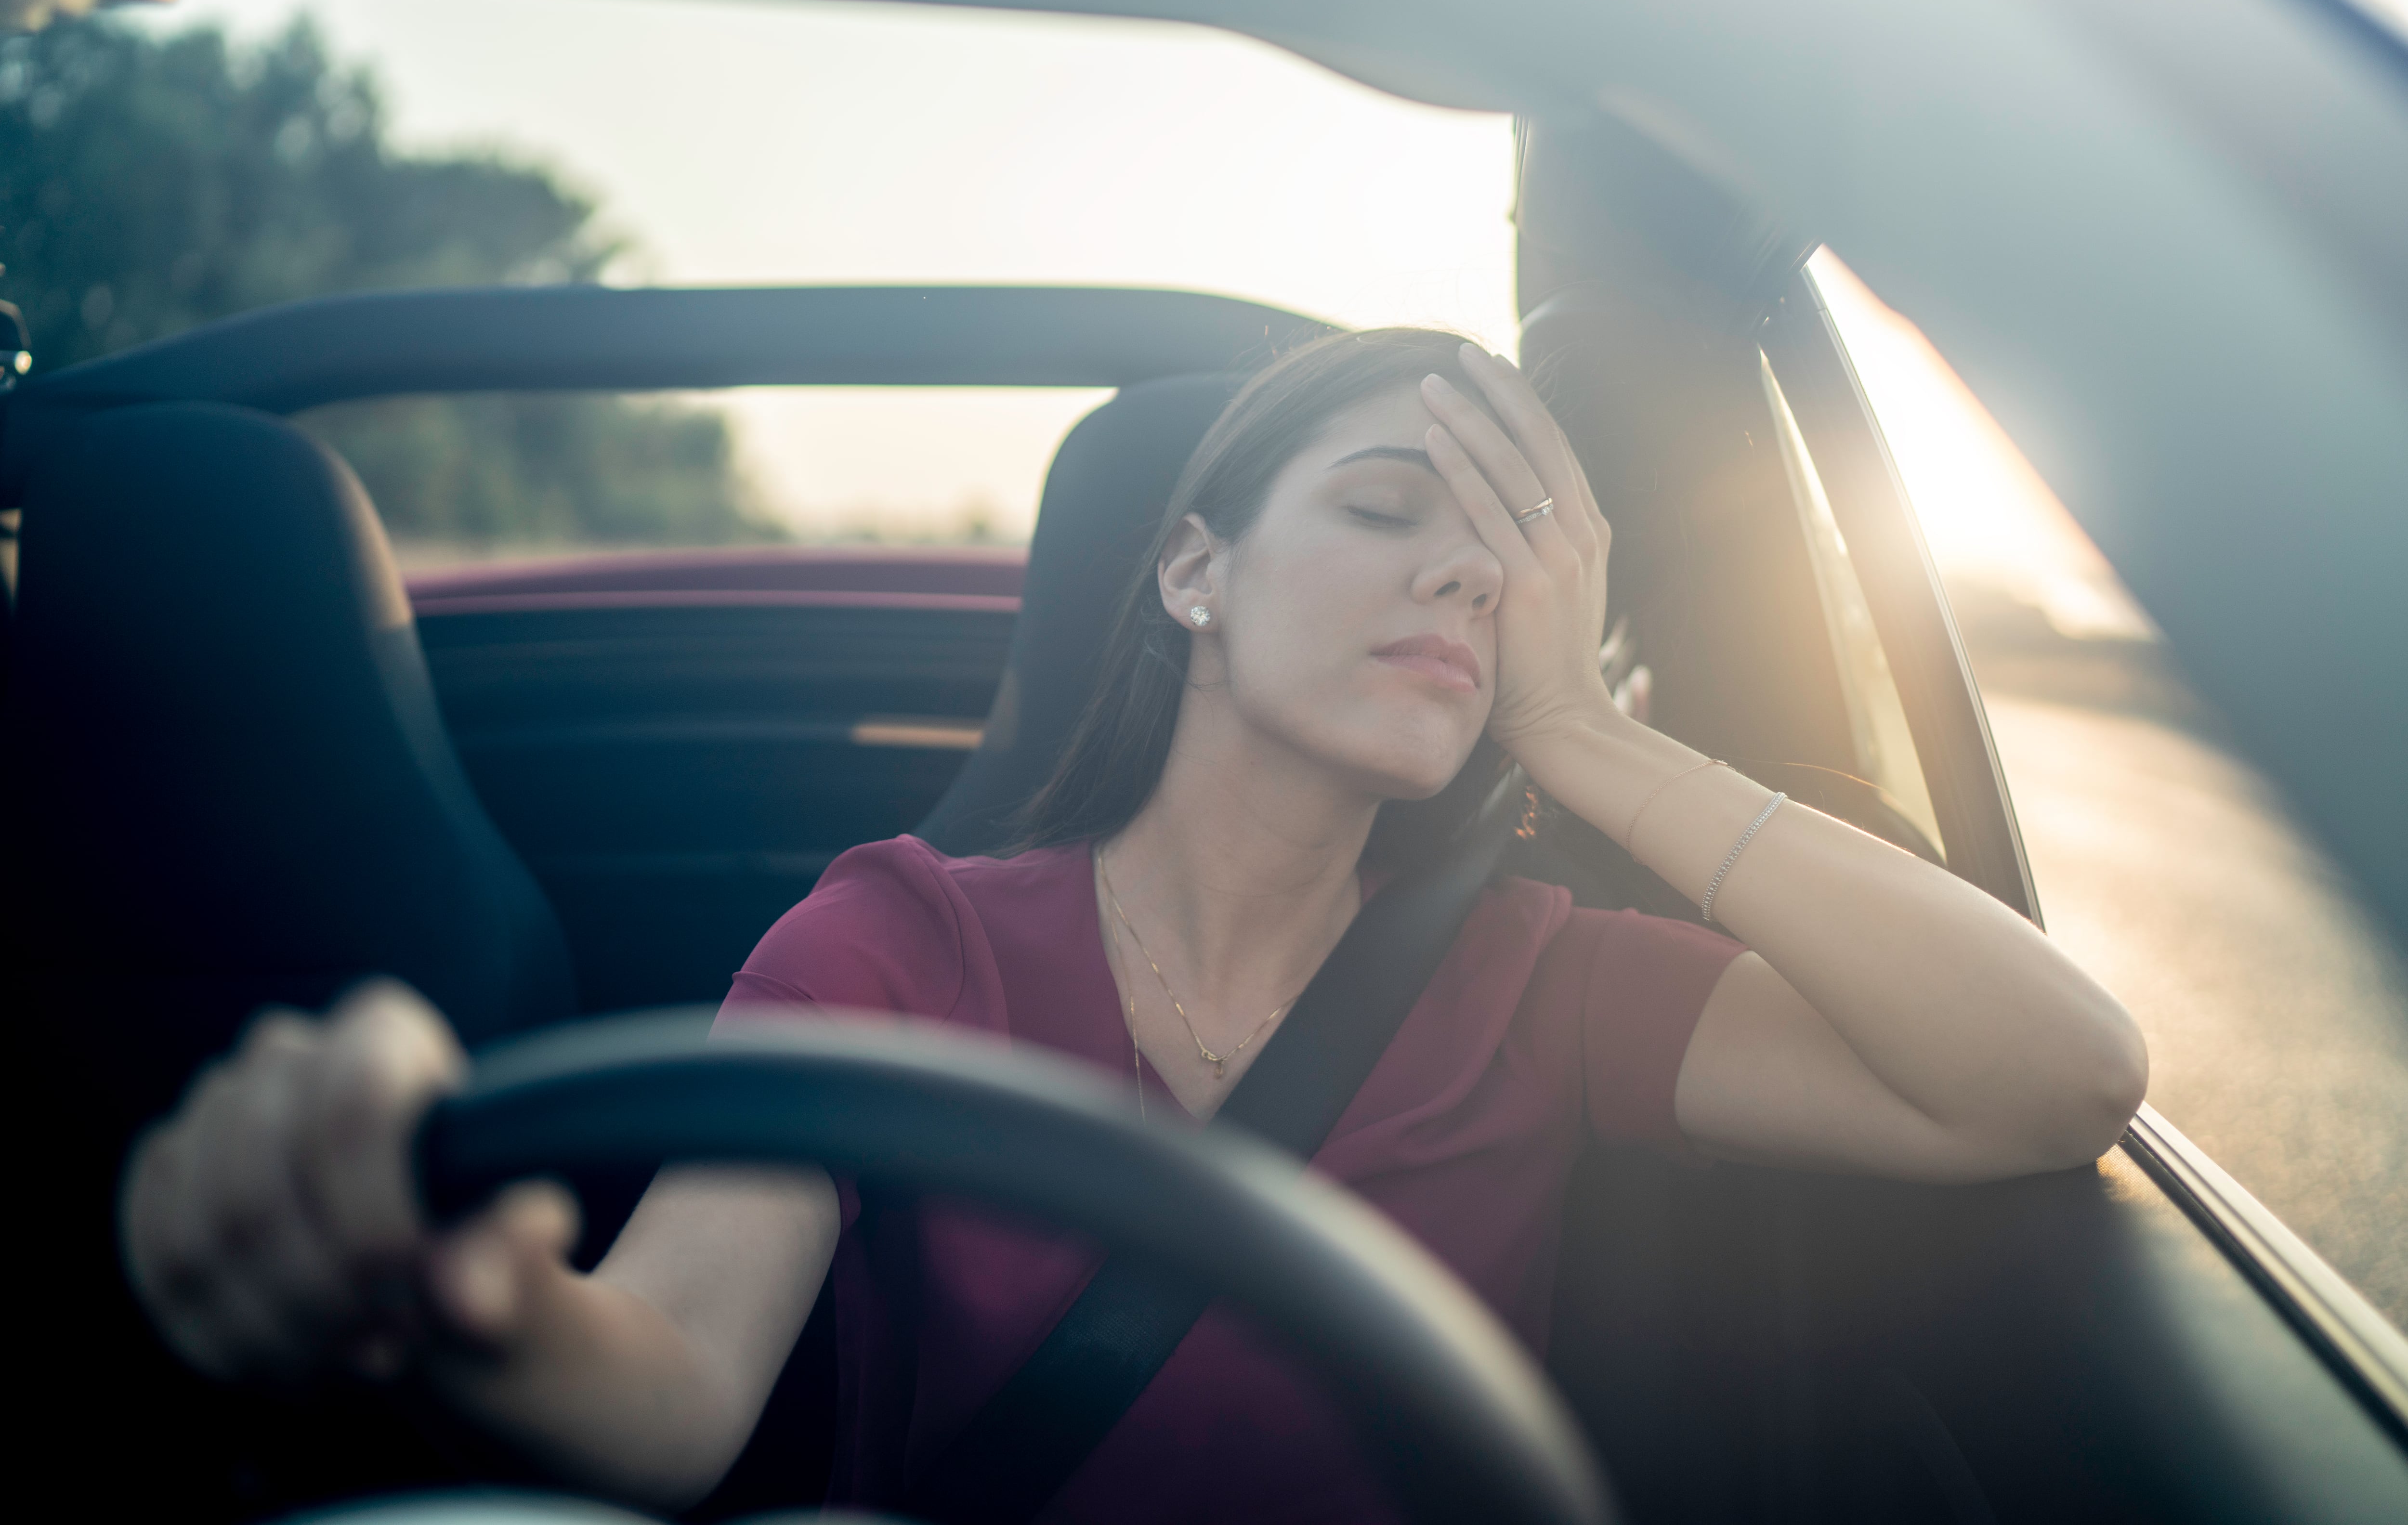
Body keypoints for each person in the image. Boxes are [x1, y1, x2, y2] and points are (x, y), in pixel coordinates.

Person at [119, 330, 2148, 1521]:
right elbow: (666, 1376)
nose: (1458, 585)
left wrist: (1578, 735)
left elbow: (2055, 1075)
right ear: (1192, 568)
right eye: (1381, 512)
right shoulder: (900, 943)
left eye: (1509, 569)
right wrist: (465, 1300)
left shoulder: (1546, 976)